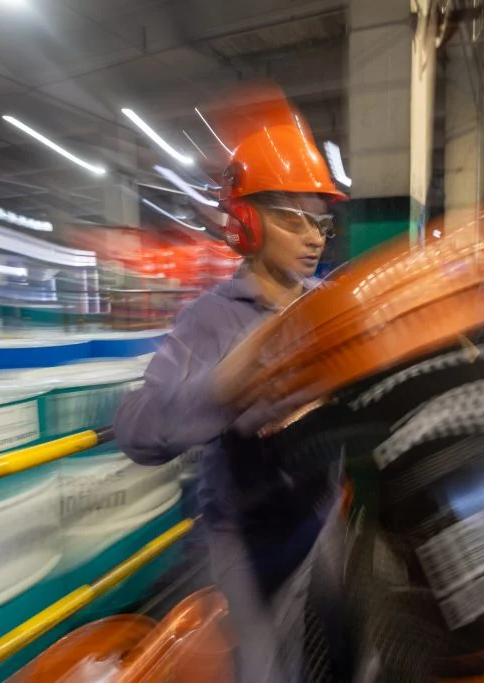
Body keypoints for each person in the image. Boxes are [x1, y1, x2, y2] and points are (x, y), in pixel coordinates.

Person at [114, 87, 358, 683]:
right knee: (262, 668)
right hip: (243, 540)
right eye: (291, 218)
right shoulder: (211, 319)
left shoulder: (327, 308)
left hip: (321, 521)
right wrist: (225, 382)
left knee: (337, 652)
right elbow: (136, 430)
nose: (312, 238)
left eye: (320, 223)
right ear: (246, 223)